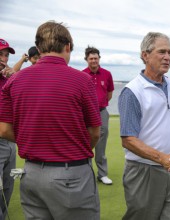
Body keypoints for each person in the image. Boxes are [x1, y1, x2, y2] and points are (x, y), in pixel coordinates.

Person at [0, 21, 102, 220]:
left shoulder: (14, 80)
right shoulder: (82, 80)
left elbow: (4, 130)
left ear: (38, 48)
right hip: (71, 174)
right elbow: (94, 132)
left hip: (31, 173)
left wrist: (34, 142)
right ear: (68, 47)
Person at [118, 32, 170, 220]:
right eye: (162, 52)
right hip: (144, 170)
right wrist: (163, 159)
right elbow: (128, 140)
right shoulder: (132, 91)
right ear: (145, 55)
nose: (167, 57)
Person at [83, 46, 114, 185]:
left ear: (99, 58)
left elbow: (109, 94)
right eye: (91, 59)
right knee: (84, 142)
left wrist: (100, 103)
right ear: (86, 60)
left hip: (101, 112)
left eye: (96, 58)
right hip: (85, 114)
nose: (94, 61)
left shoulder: (107, 74)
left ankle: (102, 174)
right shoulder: (82, 74)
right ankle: (85, 173)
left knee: (101, 144)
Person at [0, 38, 16, 220]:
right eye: (0, 55)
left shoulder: (7, 79)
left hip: (9, 140)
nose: (4, 59)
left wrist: (14, 78)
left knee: (7, 186)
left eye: (6, 55)